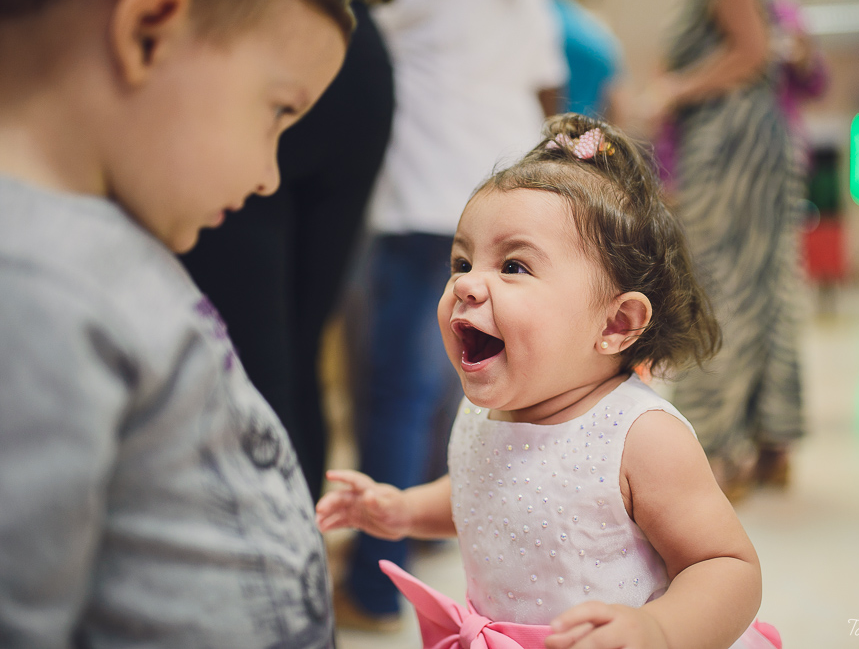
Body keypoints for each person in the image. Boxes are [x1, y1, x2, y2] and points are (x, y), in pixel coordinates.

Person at [316, 115, 782, 649]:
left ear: (615, 324)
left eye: (513, 266)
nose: (467, 283)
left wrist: (659, 630)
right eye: (462, 261)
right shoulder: (481, 415)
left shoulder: (640, 438)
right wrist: (403, 511)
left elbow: (725, 564)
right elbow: (481, 491)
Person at [0, 0, 351, 646]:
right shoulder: (32, 290)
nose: (271, 177)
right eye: (278, 111)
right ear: (149, 31)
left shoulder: (98, 246)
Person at [338, 0, 568, 629]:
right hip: (506, 197)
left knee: (398, 395)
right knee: (470, 387)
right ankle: (434, 532)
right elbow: (547, 97)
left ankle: (373, 585)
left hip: (429, 202)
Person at [181, 0, 397, 503]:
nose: (266, 177)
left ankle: (281, 557)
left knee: (251, 360)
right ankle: (301, 554)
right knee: (294, 353)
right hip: (355, 54)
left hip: (282, 32)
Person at [647, 0, 805, 499]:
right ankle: (767, 441)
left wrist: (675, 88)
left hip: (731, 141)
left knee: (718, 287)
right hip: (752, 139)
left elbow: (752, 55)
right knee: (762, 287)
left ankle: (711, 449)